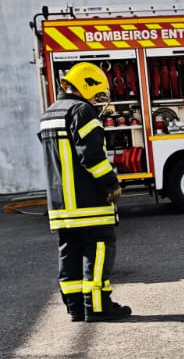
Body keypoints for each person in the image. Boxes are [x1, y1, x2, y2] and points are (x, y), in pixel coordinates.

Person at [38, 63, 130, 322]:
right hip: (88, 202)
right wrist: (111, 184)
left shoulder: (50, 113)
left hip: (60, 204)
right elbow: (91, 156)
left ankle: (76, 307)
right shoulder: (82, 111)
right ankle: (99, 306)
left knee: (70, 253)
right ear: (87, 86)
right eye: (96, 93)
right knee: (99, 249)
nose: (96, 100)